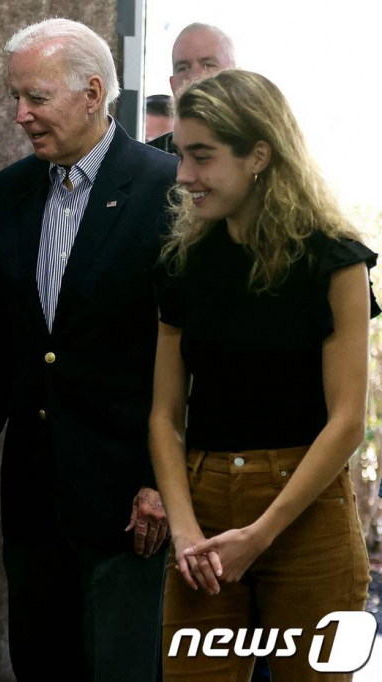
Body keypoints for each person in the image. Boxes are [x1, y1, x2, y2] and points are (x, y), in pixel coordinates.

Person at [0, 18, 177, 681]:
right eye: (15, 98)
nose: (20, 115)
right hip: (34, 498)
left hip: (128, 501)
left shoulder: (167, 190)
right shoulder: (13, 190)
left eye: (35, 97)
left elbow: (188, 358)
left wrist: (160, 481)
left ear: (92, 93)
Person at [149, 69, 378, 681]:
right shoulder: (184, 260)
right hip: (201, 509)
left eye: (202, 156)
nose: (183, 176)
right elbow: (165, 416)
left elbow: (348, 420)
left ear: (259, 155)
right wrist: (184, 529)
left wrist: (260, 533)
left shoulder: (334, 258)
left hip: (305, 511)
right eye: (180, 155)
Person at [148, 23, 236, 154]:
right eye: (183, 68)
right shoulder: (149, 161)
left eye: (208, 65)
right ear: (173, 85)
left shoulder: (258, 150)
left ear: (234, 78)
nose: (194, 77)